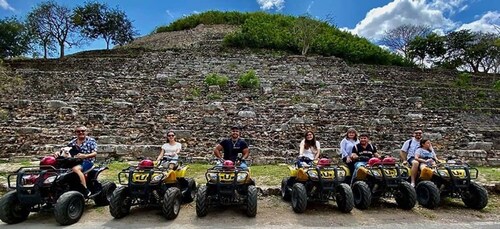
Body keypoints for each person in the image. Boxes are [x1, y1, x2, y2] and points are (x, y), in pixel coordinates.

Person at [54, 126, 97, 196]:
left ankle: (85, 190)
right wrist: (58, 152)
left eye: (83, 131)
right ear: (76, 133)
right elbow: (65, 149)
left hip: (87, 161)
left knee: (75, 169)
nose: (81, 132)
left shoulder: (91, 141)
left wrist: (85, 156)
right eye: (78, 131)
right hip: (75, 161)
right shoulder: (73, 142)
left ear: (86, 132)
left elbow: (95, 153)